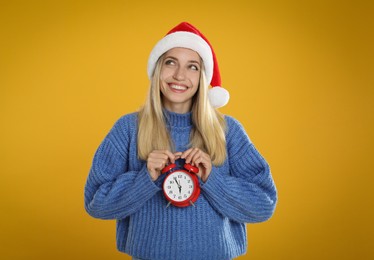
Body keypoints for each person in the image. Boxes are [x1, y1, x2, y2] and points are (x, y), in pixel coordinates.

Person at [84, 22, 277, 260]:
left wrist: (212, 179)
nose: (179, 75)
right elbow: (95, 203)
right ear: (158, 69)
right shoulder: (128, 129)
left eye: (192, 67)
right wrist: (145, 178)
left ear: (203, 77)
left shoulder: (228, 131)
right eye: (171, 62)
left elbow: (263, 205)